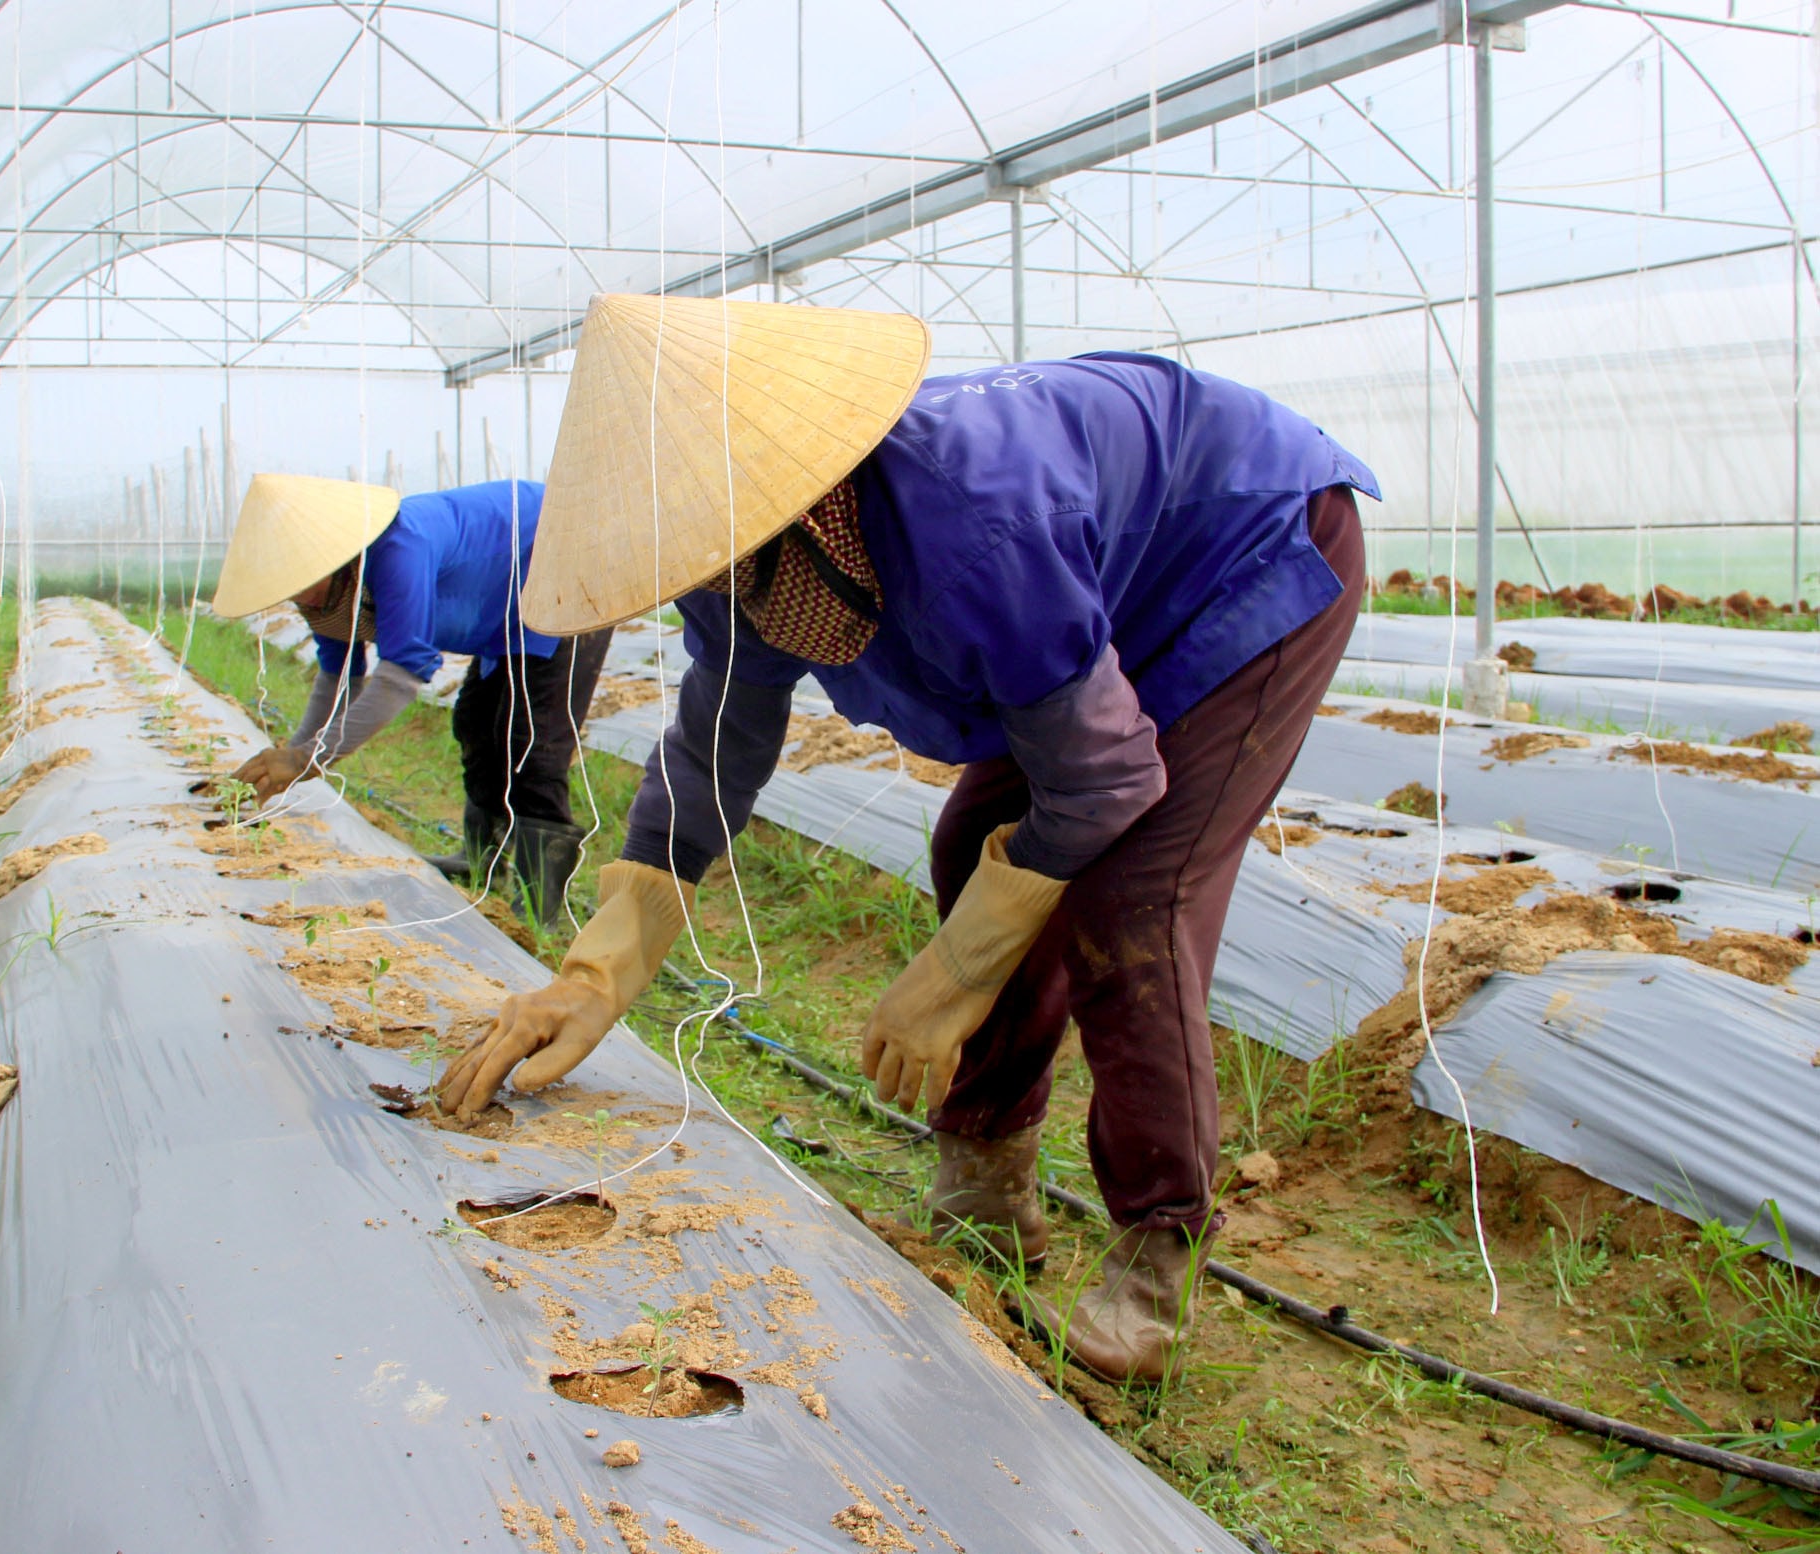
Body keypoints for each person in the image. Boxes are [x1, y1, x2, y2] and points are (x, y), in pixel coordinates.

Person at [437, 294, 1375, 1384]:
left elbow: (1107, 777)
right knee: (971, 840)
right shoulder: (737, 551)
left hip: (1248, 551)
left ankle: (1156, 1249)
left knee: (1133, 902)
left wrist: (954, 971)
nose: (699, 586)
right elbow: (715, 743)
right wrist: (599, 969)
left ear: (788, 510)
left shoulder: (972, 525)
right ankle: (988, 1174)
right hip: (1099, 589)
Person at [210, 472, 609, 925]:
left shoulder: (398, 548)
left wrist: (308, 759)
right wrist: (297, 754)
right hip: (502, 604)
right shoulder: (326, 596)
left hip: (566, 561)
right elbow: (339, 675)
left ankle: (541, 913)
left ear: (328, 558)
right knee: (476, 723)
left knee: (530, 744)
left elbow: (402, 674)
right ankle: (484, 863)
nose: (296, 596)